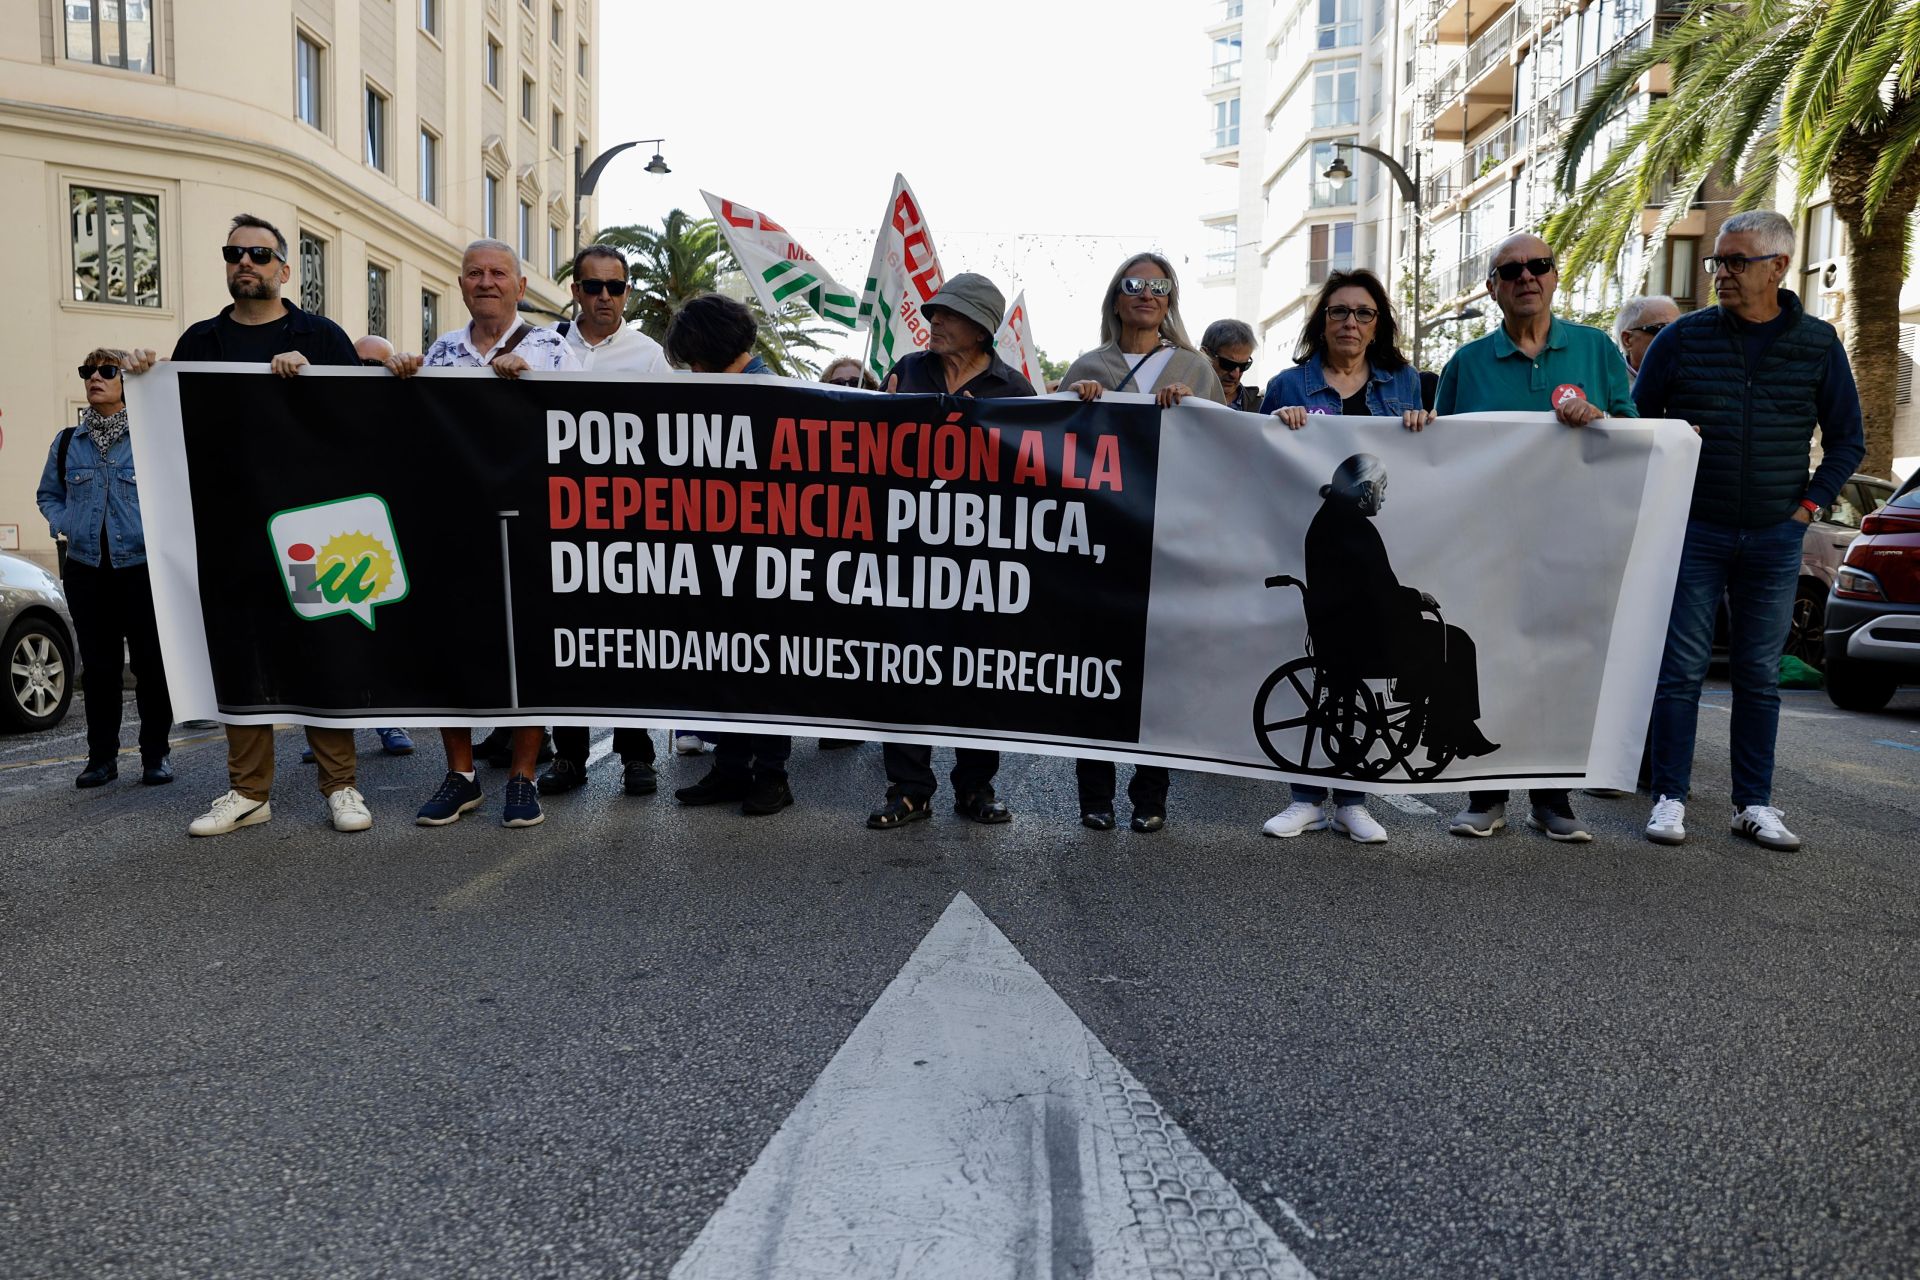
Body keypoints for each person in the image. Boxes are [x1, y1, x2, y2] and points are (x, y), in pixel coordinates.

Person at [124, 213, 371, 837]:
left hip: (310, 526)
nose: (246, 262)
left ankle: (341, 785)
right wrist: (147, 377)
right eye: (234, 252)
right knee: (240, 654)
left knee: (322, 647)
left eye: (260, 254)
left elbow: (357, 427)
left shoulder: (321, 335)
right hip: (230, 527)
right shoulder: (201, 342)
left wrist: (310, 378)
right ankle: (248, 791)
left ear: (284, 269)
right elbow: (175, 431)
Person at [1633, 210, 1865, 852]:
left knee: (1760, 675)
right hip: (1694, 531)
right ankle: (1670, 798)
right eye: (1716, 262)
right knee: (1679, 670)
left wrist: (1808, 507)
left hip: (1774, 535)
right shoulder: (1681, 340)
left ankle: (1753, 804)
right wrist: (1670, 450)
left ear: (1778, 267)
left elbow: (1848, 439)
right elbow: (1638, 422)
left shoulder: (1818, 344)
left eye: (1736, 262)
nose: (1721, 274)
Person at [1432, 232, 1637, 843]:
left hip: (1572, 543)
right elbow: (1440, 455)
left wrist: (1601, 418)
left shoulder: (1597, 350)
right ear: (1493, 288)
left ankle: (1554, 799)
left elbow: (1632, 430)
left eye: (1538, 266)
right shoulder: (1466, 365)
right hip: (1490, 546)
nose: (1527, 277)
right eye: (1511, 270)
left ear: (1554, 277)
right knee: (1489, 662)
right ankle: (1485, 797)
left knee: (1559, 665)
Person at [386, 238, 580, 829]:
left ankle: (522, 778)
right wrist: (402, 377)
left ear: (520, 286)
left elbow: (578, 432)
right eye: (475, 273)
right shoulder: (441, 351)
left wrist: (535, 391)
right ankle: (461, 774)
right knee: (453, 647)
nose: (486, 282)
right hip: (454, 525)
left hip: (531, 527)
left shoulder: (553, 350)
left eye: (499, 273)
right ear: (462, 283)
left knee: (526, 651)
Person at [1257, 270, 1435, 844]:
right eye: (1339, 312)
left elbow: (1433, 464)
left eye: (1363, 313)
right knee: (1346, 668)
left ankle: (1353, 799)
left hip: (1371, 565)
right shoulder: (1288, 385)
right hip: (1327, 571)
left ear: (1377, 323)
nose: (1350, 323)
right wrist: (1276, 429)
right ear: (1322, 321)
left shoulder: (1407, 384)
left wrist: (1424, 428)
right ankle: (1306, 797)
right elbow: (1257, 465)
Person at [1061, 253, 1225, 832]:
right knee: (1095, 672)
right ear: (1116, 295)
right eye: (1136, 283)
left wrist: (1196, 407)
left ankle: (1151, 797)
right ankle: (1095, 796)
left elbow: (1222, 447)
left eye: (1160, 285)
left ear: (1171, 298)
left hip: (1168, 541)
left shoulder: (1195, 367)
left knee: (1162, 673)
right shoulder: (1088, 364)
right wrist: (1074, 404)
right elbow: (1058, 450)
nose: (1147, 293)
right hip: (1101, 543)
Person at [866, 273, 1034, 830]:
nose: (934, 321)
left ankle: (975, 786)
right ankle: (909, 788)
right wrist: (874, 416)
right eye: (934, 312)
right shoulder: (906, 372)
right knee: (903, 670)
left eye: (950, 315)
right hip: (909, 552)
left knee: (978, 671)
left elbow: (1034, 475)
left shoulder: (1015, 392)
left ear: (981, 330)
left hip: (981, 558)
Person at [538, 243, 669, 798]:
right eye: (594, 287)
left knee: (626, 638)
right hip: (556, 518)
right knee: (565, 639)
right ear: (576, 292)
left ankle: (637, 753)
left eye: (616, 288)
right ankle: (568, 755)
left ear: (627, 293)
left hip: (624, 520)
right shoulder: (542, 348)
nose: (605, 297)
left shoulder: (648, 355)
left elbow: (675, 434)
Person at [664, 294, 795, 818]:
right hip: (720, 556)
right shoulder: (717, 390)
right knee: (727, 662)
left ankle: (773, 774)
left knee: (766, 668)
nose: (691, 369)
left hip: (766, 560)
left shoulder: (776, 397)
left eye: (693, 358)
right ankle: (733, 765)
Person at [35, 349, 174, 789]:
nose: (95, 377)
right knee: (99, 668)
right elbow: (48, 495)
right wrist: (67, 525)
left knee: (151, 667)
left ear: (124, 382)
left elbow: (174, 491)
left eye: (106, 371)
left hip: (142, 569)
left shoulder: (150, 436)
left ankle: (155, 755)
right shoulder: (65, 443)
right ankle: (102, 759)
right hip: (86, 571)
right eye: (87, 372)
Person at [296, 334, 414, 766]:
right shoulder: (325, 406)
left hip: (380, 538)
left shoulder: (400, 406)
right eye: (358, 363)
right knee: (330, 636)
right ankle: (330, 728)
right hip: (328, 534)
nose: (365, 372)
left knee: (380, 633)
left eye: (376, 365)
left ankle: (388, 719)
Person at [1615, 294, 1681, 383]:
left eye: (1680, 330)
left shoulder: (1697, 382)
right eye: (1663, 329)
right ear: (1628, 340)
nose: (1675, 338)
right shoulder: (1603, 390)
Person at [1201, 319, 1263, 412]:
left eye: (1243, 366)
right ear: (1205, 355)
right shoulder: (1182, 398)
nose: (1235, 375)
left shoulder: (1261, 409)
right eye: (1228, 364)